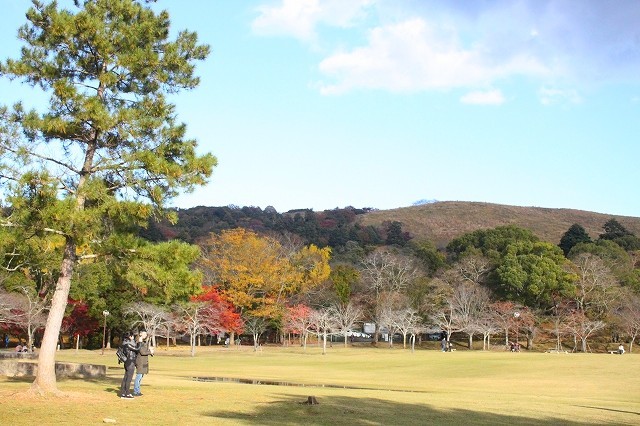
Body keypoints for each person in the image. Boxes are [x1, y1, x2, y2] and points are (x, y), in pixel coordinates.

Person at [118, 331, 139, 399]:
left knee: (125, 377)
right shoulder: (128, 344)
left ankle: (123, 393)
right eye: (132, 336)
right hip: (130, 362)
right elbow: (137, 349)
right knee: (129, 378)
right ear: (130, 336)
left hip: (127, 362)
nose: (133, 337)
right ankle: (127, 393)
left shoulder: (124, 343)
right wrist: (140, 342)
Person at [133, 330, 153, 397]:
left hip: (144, 361)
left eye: (146, 334)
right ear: (140, 334)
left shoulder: (144, 342)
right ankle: (136, 391)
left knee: (140, 377)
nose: (145, 335)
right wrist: (150, 352)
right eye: (144, 334)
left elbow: (145, 351)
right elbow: (142, 352)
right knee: (138, 377)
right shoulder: (139, 342)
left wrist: (150, 351)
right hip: (140, 362)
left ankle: (138, 390)